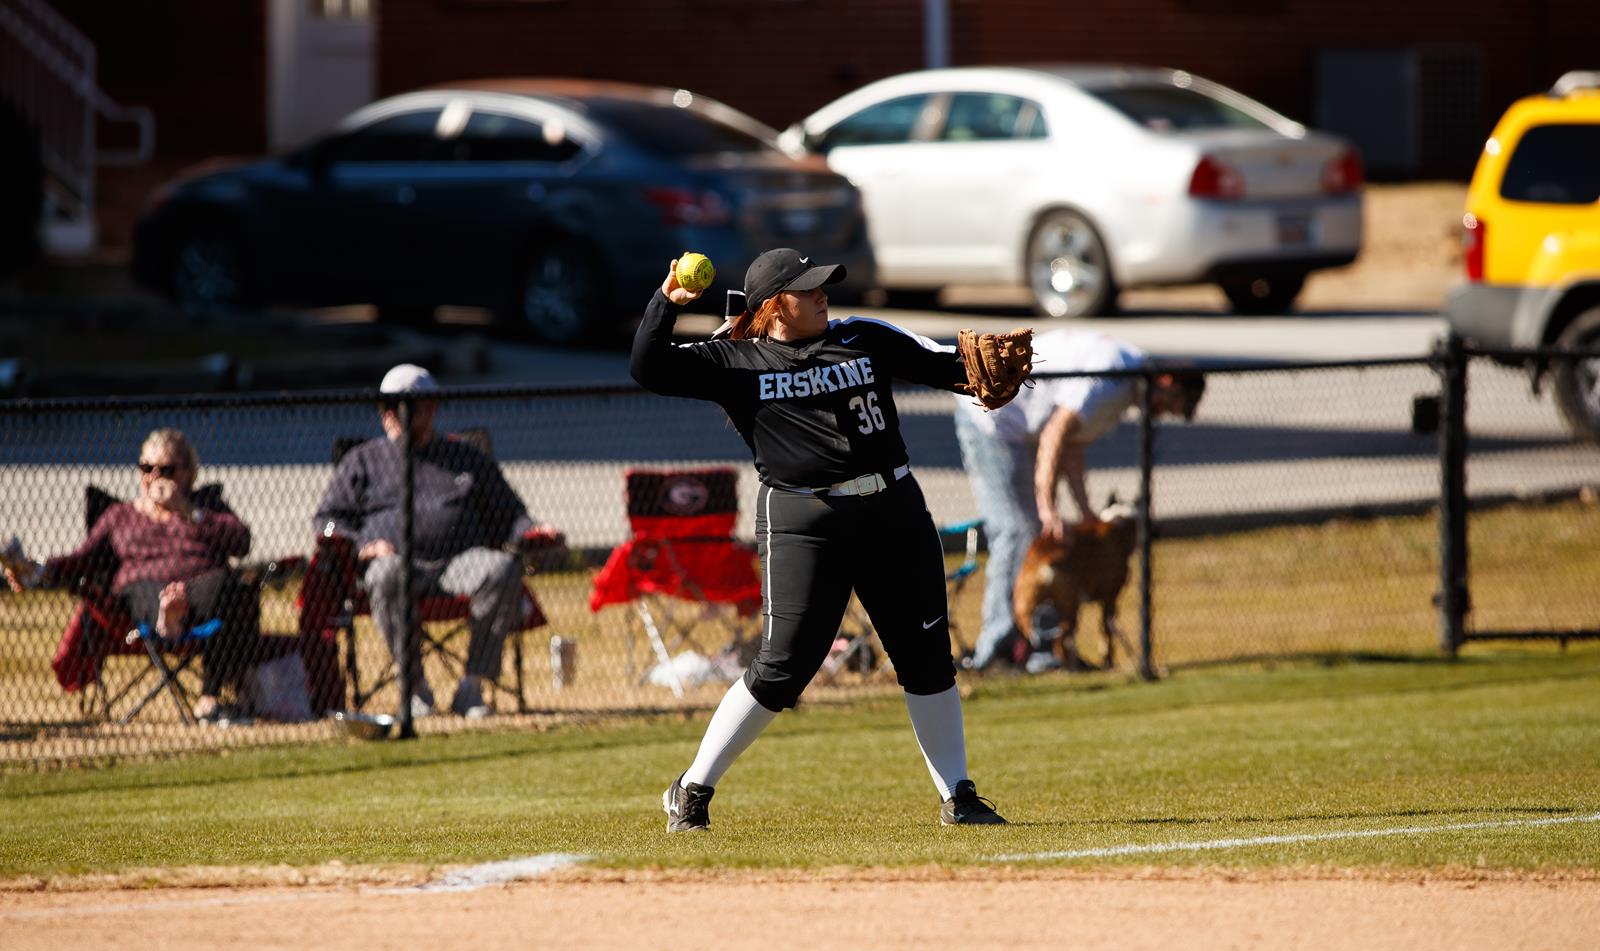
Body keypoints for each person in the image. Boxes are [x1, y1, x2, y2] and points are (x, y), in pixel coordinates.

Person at [634, 246, 1010, 831]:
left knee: (926, 658)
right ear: (773, 305)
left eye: (821, 285)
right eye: (806, 289)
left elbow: (941, 364)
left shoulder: (863, 337)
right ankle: (691, 789)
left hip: (894, 511)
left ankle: (958, 795)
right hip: (805, 519)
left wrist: (978, 373)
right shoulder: (735, 360)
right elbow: (648, 367)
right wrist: (667, 301)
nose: (821, 294)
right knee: (784, 665)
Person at [311, 364, 557, 719]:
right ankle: (415, 690)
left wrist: (533, 530)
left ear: (432, 408)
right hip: (396, 565)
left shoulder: (466, 458)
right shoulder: (362, 460)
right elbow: (328, 519)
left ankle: (472, 688)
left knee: (501, 568)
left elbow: (510, 515)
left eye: (406, 406)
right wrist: (362, 544)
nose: (394, 415)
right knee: (384, 574)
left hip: (458, 562)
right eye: (389, 407)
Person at [954, 328, 1205, 672]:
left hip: (1019, 428)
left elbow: (1070, 445)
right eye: (1170, 404)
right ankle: (995, 652)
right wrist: (1047, 508)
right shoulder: (1113, 376)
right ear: (1165, 380)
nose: (1161, 414)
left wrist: (1085, 512)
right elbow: (1056, 432)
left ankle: (1043, 651)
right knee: (1018, 530)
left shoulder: (1125, 380)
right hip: (991, 418)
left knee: (1041, 536)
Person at [3, 428, 260, 722]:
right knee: (143, 590)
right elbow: (83, 559)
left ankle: (209, 697)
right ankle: (166, 618)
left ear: (188, 473)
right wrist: (42, 571)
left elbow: (242, 542)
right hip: (142, 596)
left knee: (232, 584)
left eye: (167, 470)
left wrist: (188, 511)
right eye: (146, 468)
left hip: (202, 594)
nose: (154, 477)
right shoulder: (121, 515)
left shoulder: (205, 508)